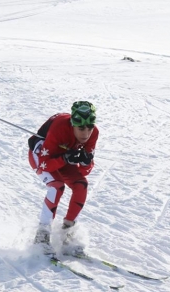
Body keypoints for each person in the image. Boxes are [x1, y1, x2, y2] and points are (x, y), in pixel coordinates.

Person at [27, 101, 99, 256]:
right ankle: (42, 236)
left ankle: (67, 233)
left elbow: (84, 171)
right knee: (57, 186)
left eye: (89, 127)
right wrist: (65, 158)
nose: (86, 133)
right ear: (72, 124)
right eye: (81, 128)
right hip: (42, 157)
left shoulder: (94, 133)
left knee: (81, 185)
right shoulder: (59, 128)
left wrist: (86, 161)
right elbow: (45, 165)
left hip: (62, 157)